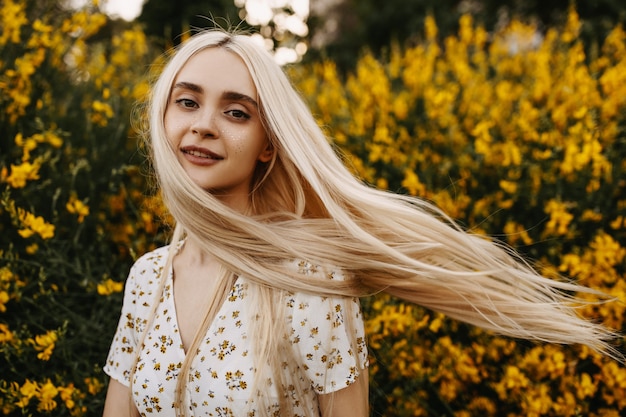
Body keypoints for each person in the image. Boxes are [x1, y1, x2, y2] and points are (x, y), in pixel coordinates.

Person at [102, 29, 621, 417]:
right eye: (187, 102)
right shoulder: (148, 278)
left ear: (268, 143)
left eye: (236, 112)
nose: (203, 126)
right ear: (163, 117)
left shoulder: (308, 282)